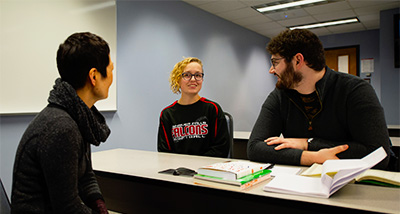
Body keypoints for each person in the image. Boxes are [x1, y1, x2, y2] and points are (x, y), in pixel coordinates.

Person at [248, 29, 397, 170]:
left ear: (298, 60)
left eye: (275, 62)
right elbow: (255, 148)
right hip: (304, 182)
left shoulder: (355, 90)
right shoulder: (280, 95)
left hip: (357, 184)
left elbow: (379, 154)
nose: (271, 70)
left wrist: (307, 144)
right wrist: (313, 157)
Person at [11, 32, 113, 213]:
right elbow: (67, 208)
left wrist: (100, 206)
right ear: (94, 76)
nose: (112, 77)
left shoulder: (78, 116)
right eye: (111, 69)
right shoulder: (61, 128)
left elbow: (86, 176)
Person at [158, 57, 230, 157]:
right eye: (187, 75)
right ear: (177, 79)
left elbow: (221, 148)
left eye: (198, 75)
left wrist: (197, 166)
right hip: (178, 170)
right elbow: (164, 152)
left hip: (207, 170)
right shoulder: (167, 114)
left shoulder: (213, 109)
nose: (193, 79)